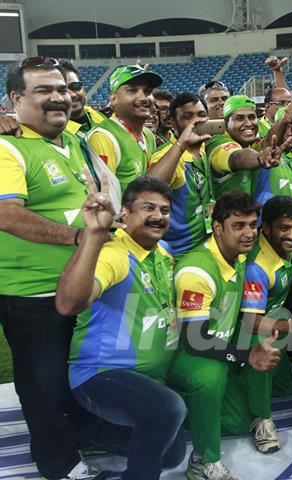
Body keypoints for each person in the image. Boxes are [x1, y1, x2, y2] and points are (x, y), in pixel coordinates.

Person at [0, 56, 101, 480]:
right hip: (32, 292)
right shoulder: (7, 147)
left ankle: (81, 435)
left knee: (73, 374)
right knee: (42, 383)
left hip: (84, 286)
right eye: (43, 90)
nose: (58, 97)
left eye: (61, 88)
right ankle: (58, 463)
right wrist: (81, 237)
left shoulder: (75, 141)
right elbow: (8, 216)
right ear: (16, 99)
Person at [56, 176, 186, 480]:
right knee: (167, 411)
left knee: (172, 455)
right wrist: (94, 235)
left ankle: (95, 432)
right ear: (124, 214)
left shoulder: (164, 252)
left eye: (165, 210)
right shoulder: (114, 254)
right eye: (148, 208)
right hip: (100, 375)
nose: (158, 216)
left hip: (144, 378)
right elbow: (69, 304)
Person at [168, 191, 281, 480]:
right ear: (218, 227)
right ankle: (203, 461)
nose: (249, 233)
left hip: (223, 346)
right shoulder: (197, 269)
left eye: (252, 225)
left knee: (261, 343)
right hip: (190, 354)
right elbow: (195, 338)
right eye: (238, 225)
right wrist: (244, 356)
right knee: (210, 377)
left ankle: (259, 418)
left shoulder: (239, 257)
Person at [221, 196, 292, 453]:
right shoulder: (256, 266)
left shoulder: (288, 248)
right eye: (284, 228)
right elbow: (249, 321)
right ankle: (262, 418)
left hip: (275, 325)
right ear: (267, 228)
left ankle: (250, 384)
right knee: (237, 423)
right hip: (247, 333)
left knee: (284, 389)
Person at [148, 92, 213, 256]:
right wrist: (181, 144)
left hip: (203, 246)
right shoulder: (167, 157)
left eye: (201, 115)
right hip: (178, 253)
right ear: (171, 122)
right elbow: (149, 189)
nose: (196, 121)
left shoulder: (202, 148)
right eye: (188, 116)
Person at [86, 64, 163, 192]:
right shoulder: (103, 138)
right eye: (132, 90)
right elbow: (105, 198)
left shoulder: (148, 135)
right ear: (113, 99)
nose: (143, 98)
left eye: (147, 91)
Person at [205, 95, 280, 198]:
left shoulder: (246, 141)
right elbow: (238, 157)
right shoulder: (218, 143)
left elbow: (266, 142)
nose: (248, 123)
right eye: (240, 118)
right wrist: (259, 158)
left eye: (252, 117)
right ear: (226, 124)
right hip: (227, 213)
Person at [254, 104, 292, 207]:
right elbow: (268, 141)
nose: (290, 133)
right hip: (268, 220)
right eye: (285, 127)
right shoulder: (263, 152)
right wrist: (283, 121)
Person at [59, 59, 107, 139]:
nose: (72, 95)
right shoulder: (56, 137)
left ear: (83, 89)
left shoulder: (104, 118)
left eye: (75, 86)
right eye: (62, 91)